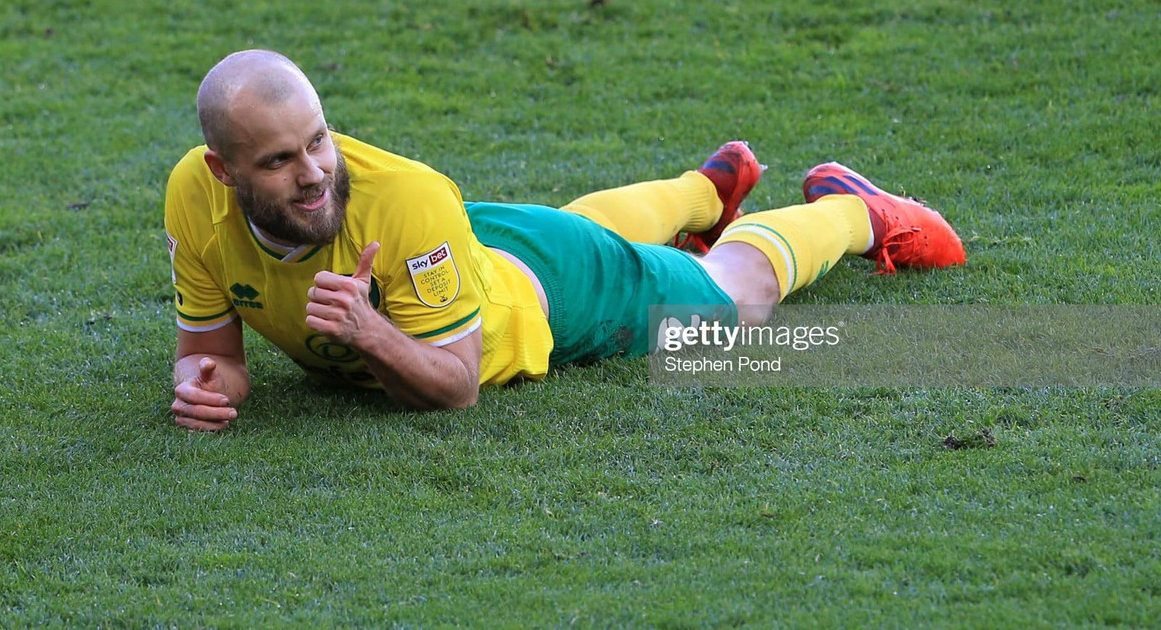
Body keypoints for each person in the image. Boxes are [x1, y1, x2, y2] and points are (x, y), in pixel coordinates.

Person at [166, 50, 966, 429]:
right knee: (573, 227)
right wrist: (211, 386)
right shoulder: (191, 200)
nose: (312, 173)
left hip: (556, 293)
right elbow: (216, 354)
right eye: (279, 159)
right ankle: (701, 193)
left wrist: (368, 330)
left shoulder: (405, 202)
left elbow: (455, 386)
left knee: (732, 298)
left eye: (320, 140)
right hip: (478, 248)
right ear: (224, 170)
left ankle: (859, 212)